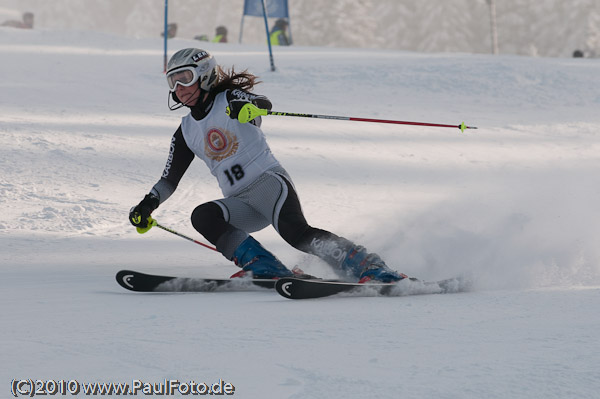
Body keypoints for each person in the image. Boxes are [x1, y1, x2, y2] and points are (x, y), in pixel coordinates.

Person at [129, 48, 406, 283]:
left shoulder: (230, 100)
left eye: (184, 79)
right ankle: (264, 266)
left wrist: (249, 108)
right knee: (203, 216)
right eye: (172, 83)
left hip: (268, 184)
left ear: (204, 75)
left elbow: (262, 103)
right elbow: (169, 179)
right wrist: (147, 204)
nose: (179, 89)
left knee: (297, 235)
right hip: (240, 203)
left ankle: (369, 266)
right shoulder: (186, 131)